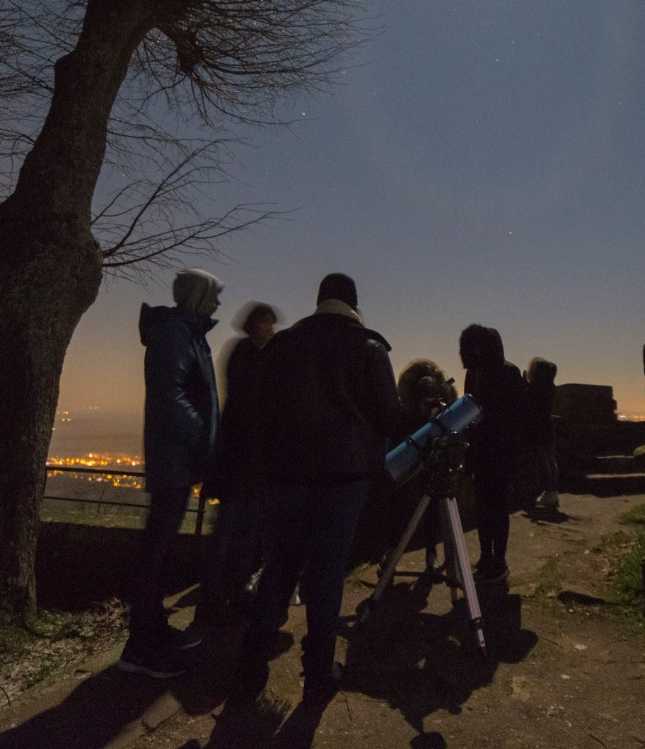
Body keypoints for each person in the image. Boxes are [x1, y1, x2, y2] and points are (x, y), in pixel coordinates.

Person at [235, 273, 401, 708]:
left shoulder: (285, 345)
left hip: (288, 475)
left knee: (281, 564)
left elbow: (261, 410)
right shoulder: (369, 347)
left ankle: (250, 666)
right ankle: (318, 673)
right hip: (345, 479)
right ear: (353, 304)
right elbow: (389, 415)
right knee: (328, 570)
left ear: (320, 301)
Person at [120, 268, 224, 678]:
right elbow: (170, 395)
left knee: (159, 548)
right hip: (174, 456)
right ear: (198, 295)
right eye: (213, 294)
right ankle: (141, 646)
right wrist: (201, 438)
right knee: (156, 550)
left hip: (178, 456)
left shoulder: (185, 333)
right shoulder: (175, 333)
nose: (217, 302)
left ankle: (152, 630)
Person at [197, 302, 278, 626]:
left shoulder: (241, 353)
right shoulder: (251, 356)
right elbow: (253, 407)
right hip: (244, 461)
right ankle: (222, 591)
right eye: (267, 324)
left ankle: (226, 589)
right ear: (256, 325)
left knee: (239, 527)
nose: (270, 330)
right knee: (235, 527)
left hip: (240, 461)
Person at [459, 324, 529, 584]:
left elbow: (517, 418)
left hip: (500, 453)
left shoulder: (508, 373)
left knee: (497, 508)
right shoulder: (475, 373)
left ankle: (498, 561)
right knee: (483, 508)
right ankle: (485, 558)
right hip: (481, 451)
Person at [393, 358, 460, 578]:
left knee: (431, 509)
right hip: (414, 459)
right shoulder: (407, 411)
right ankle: (393, 552)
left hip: (432, 460)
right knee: (400, 507)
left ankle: (430, 554)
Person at [524, 357, 560, 510]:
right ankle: (553, 491)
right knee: (550, 459)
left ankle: (548, 492)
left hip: (537, 428)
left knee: (542, 460)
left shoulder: (535, 389)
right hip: (547, 426)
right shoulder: (551, 388)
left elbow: (527, 404)